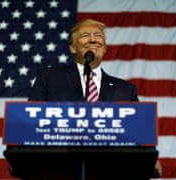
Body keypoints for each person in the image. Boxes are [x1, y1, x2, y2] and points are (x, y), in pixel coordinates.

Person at [28, 18, 161, 179]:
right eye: (85, 35)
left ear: (104, 48)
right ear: (72, 48)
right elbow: (32, 123)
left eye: (98, 36)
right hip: (59, 168)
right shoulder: (50, 78)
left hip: (110, 170)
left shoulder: (126, 89)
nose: (93, 39)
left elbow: (138, 131)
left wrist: (149, 156)